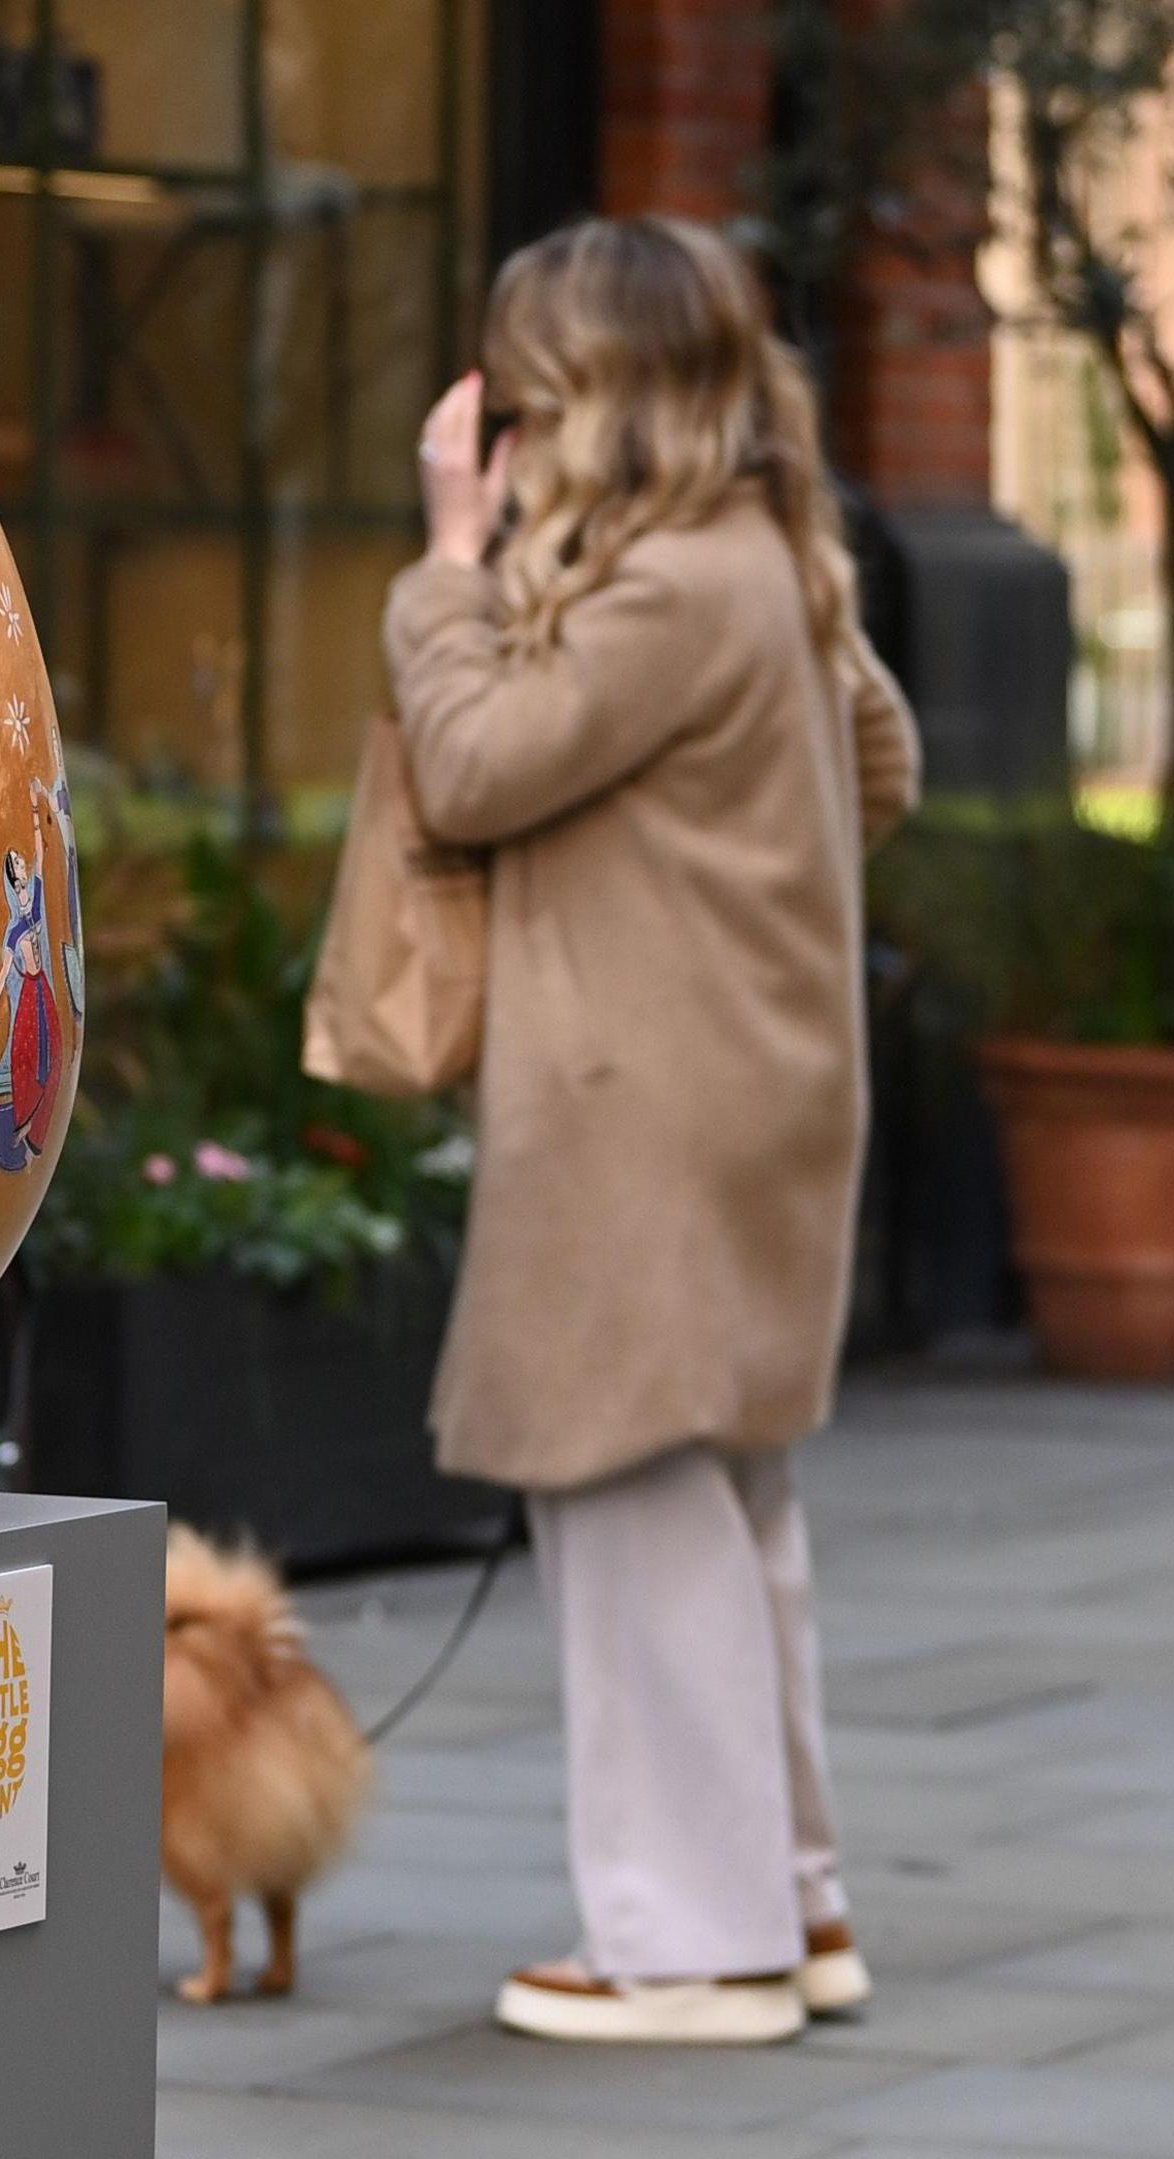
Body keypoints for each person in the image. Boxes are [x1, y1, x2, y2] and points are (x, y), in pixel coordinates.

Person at [382, 215, 919, 2048]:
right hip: (754, 1083)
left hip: (642, 1102)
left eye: (523, 396)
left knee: (623, 1481)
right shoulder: (765, 554)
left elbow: (468, 761)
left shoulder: (669, 585)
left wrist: (448, 561)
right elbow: (884, 762)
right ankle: (795, 1895)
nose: (501, 428)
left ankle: (695, 1942)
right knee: (727, 1478)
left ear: (586, 400)